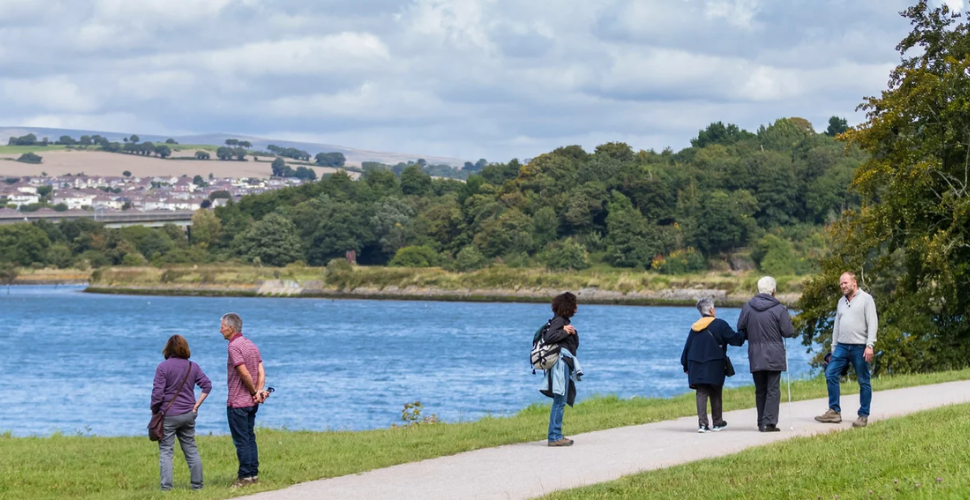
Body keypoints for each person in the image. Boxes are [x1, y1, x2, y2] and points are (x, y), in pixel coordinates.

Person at [815, 272, 877, 428]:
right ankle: (834, 411)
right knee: (830, 373)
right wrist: (833, 348)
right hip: (842, 346)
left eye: (845, 283)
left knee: (863, 380)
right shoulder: (841, 302)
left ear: (854, 282)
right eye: (841, 284)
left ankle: (863, 415)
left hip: (860, 346)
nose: (843, 286)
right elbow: (837, 325)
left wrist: (870, 345)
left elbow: (872, 323)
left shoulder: (866, 299)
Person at [151, 334, 212, 491]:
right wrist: (197, 405)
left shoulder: (163, 367)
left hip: (169, 415)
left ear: (168, 349)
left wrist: (155, 411)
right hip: (188, 414)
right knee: (191, 450)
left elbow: (157, 395)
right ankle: (198, 487)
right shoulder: (193, 366)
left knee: (166, 452)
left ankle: (166, 489)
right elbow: (207, 385)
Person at [736, 276, 796, 432]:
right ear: (773, 291)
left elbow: (740, 327)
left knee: (760, 389)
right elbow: (788, 332)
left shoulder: (747, 307)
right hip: (774, 354)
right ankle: (768, 422)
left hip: (755, 353)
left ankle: (761, 421)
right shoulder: (779, 309)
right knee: (773, 389)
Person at [220, 312, 271, 489]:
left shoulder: (234, 347)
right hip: (251, 403)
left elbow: (244, 373)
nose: (220, 330)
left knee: (241, 441)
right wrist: (258, 392)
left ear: (231, 328)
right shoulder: (251, 345)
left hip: (238, 403)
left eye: (222, 327)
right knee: (250, 438)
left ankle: (244, 477)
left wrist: (252, 391)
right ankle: (253, 475)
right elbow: (261, 370)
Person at [681, 297, 744, 433]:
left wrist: (685, 365)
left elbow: (687, 347)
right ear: (711, 310)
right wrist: (743, 332)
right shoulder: (720, 324)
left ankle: (702, 425)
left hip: (695, 363)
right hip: (715, 362)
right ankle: (717, 422)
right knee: (715, 390)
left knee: (701, 392)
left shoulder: (694, 327)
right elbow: (736, 340)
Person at [539, 292, 582, 447]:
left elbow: (573, 345)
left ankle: (556, 434)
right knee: (560, 400)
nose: (577, 306)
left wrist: (570, 333)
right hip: (560, 364)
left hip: (563, 362)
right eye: (574, 303)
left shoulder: (562, 321)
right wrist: (566, 331)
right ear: (568, 306)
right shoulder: (559, 321)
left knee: (561, 399)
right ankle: (555, 436)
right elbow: (549, 337)